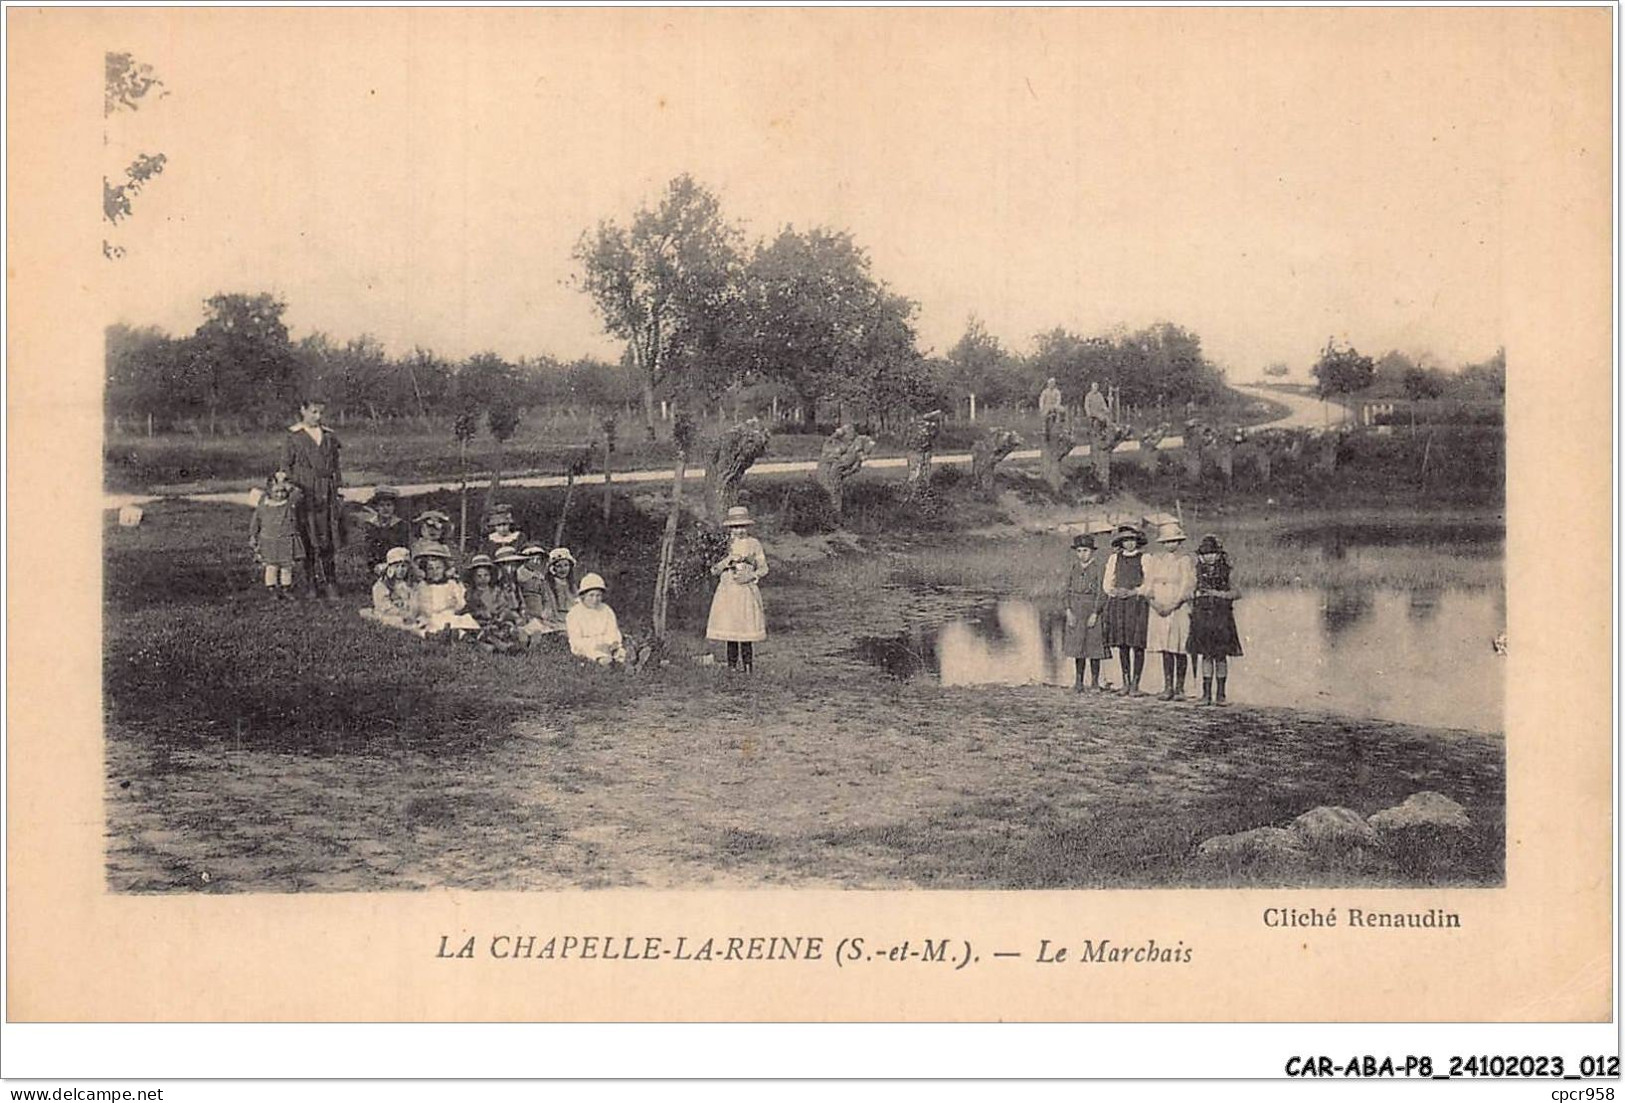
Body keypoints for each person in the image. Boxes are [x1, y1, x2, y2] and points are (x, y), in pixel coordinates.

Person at [280, 397, 345, 599]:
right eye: (314, 412)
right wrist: (291, 489)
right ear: (303, 410)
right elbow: (285, 467)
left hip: (326, 492)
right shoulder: (294, 436)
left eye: (320, 413)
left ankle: (331, 581)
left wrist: (337, 488)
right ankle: (310, 583)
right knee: (307, 537)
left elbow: (336, 466)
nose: (317, 417)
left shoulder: (329, 436)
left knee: (328, 537)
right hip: (305, 492)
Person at [706, 505, 769, 672]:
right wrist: (727, 561)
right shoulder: (724, 544)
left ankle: (748, 667)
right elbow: (713, 570)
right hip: (728, 592)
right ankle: (732, 667)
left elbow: (764, 568)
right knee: (731, 629)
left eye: (742, 526)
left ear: (747, 527)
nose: (739, 531)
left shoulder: (754, 544)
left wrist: (752, 575)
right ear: (729, 528)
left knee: (745, 628)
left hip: (745, 591)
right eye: (735, 527)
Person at [1143, 521, 1196, 700]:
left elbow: (1187, 585)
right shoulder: (1157, 560)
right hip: (1159, 607)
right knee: (1165, 646)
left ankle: (1180, 688)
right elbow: (1148, 583)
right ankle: (1168, 687)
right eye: (1166, 542)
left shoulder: (1184, 560)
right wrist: (1154, 603)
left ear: (1179, 542)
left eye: (1173, 541)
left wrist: (1174, 604)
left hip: (1177, 607)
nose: (1169, 545)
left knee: (1179, 646)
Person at [1188, 534, 1243, 706]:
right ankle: (1205, 695)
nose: (1209, 556)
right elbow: (1189, 592)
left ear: (1219, 554)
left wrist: (1216, 594)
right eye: (1205, 554)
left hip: (1221, 618)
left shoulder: (1227, 571)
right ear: (1201, 556)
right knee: (1205, 655)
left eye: (1212, 553)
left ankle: (1221, 695)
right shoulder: (1195, 571)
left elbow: (1237, 593)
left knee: (1220, 656)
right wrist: (1193, 597)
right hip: (1202, 617)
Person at [1102, 523, 1150, 696]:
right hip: (1120, 604)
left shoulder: (1145, 558)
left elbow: (1149, 583)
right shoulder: (1114, 559)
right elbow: (1107, 581)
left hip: (1136, 604)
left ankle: (1136, 684)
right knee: (1122, 644)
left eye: (1132, 540)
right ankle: (1126, 682)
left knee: (1137, 643)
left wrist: (1134, 591)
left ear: (1137, 541)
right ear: (1120, 542)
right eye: (1125, 540)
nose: (1129, 544)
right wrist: (1113, 591)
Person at [1062, 533, 1111, 692]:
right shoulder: (1073, 568)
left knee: (1094, 647)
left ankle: (1095, 682)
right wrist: (1068, 611)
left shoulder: (1099, 568)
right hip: (1076, 610)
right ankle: (1078, 682)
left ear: (1092, 552)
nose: (1082, 554)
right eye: (1079, 551)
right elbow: (1066, 591)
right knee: (1078, 647)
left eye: (1086, 550)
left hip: (1091, 610)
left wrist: (1096, 613)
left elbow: (1102, 593)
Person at [248, 470, 304, 600]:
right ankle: (272, 589)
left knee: (286, 566)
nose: (280, 494)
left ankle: (286, 588)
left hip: (286, 540)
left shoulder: (288, 504)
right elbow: (256, 521)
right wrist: (253, 536)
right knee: (271, 566)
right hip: (269, 540)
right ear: (269, 491)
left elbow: (298, 493)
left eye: (283, 491)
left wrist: (286, 482)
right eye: (276, 491)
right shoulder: (264, 505)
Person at [412, 543, 478, 638]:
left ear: (445, 568)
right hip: (430, 618)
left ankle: (467, 636)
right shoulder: (422, 586)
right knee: (429, 626)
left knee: (463, 620)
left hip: (449, 615)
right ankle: (453, 635)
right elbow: (418, 606)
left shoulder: (451, 584)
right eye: (430, 569)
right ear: (425, 571)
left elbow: (461, 604)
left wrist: (456, 595)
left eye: (438, 568)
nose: (435, 572)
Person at [567, 573, 627, 665]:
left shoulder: (606, 610)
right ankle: (607, 663)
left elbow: (613, 631)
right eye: (591, 595)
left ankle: (628, 663)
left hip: (607, 644)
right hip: (587, 646)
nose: (595, 599)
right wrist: (596, 645)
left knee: (621, 653)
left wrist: (612, 643)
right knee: (599, 656)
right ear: (583, 596)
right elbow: (576, 641)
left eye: (598, 595)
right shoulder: (575, 613)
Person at [519, 546, 576, 640]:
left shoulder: (571, 583)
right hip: (556, 615)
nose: (563, 569)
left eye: (566, 565)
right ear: (552, 568)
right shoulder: (549, 583)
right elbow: (550, 601)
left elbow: (575, 599)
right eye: (559, 566)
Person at [360, 546, 421, 631]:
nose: (400, 570)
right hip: (391, 613)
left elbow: (416, 599)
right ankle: (409, 627)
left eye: (403, 566)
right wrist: (401, 613)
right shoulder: (382, 585)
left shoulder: (411, 584)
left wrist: (413, 610)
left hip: (409, 613)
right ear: (390, 568)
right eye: (397, 566)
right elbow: (384, 606)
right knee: (392, 620)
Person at [359, 486, 411, 575]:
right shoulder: (370, 525)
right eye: (382, 505)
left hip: (397, 564)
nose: (385, 509)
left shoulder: (401, 525)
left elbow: (405, 548)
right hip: (375, 567)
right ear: (377, 507)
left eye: (389, 505)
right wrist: (374, 565)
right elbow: (367, 549)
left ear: (394, 507)